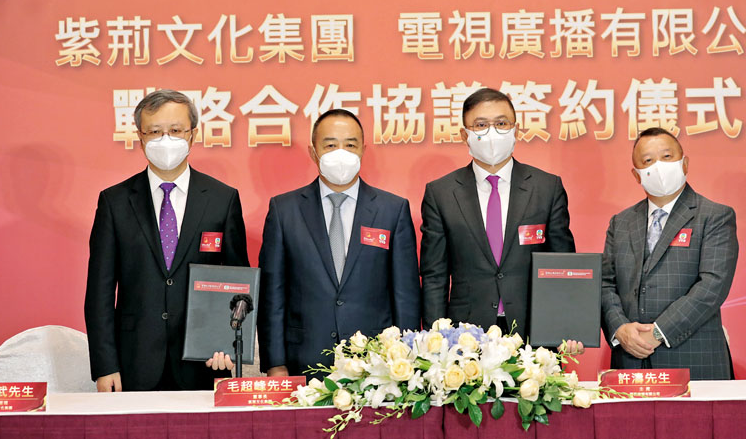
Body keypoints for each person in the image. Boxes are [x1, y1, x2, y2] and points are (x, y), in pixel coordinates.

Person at [84, 89, 249, 391]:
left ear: (193, 134)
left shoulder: (222, 199)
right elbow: (99, 293)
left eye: (175, 130)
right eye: (155, 131)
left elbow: (238, 284)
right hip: (134, 361)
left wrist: (227, 344)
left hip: (204, 361)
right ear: (141, 137)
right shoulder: (115, 202)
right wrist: (105, 366)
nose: (166, 140)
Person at [257, 109, 420, 378]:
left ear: (363, 150)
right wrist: (276, 363)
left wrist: (406, 358)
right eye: (331, 145)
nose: (341, 153)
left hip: (377, 364)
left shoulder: (392, 210)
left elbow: (406, 295)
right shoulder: (284, 210)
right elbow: (273, 294)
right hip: (303, 361)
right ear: (313, 152)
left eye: (350, 145)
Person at [419, 87, 577, 340]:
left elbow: (562, 266)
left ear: (516, 130)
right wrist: (434, 338)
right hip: (465, 335)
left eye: (501, 124)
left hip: (534, 330)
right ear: (465, 135)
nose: (492, 133)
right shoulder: (441, 193)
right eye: (481, 125)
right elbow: (434, 276)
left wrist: (566, 327)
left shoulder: (547, 188)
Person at [601, 127, 739, 380]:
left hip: (693, 359)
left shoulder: (714, 216)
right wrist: (619, 328)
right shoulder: (621, 222)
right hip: (630, 361)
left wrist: (658, 332)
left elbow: (712, 286)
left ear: (684, 163)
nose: (659, 167)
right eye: (648, 161)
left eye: (667, 157)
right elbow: (605, 283)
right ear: (636, 175)